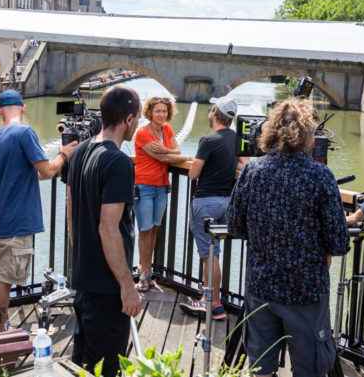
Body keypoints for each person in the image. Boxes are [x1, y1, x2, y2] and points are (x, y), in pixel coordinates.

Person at [227, 98, 349, 377]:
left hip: (261, 286)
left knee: (260, 368)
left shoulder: (252, 170)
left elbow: (235, 225)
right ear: (307, 134)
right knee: (310, 369)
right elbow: (339, 241)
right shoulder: (319, 175)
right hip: (305, 291)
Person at [66, 86, 142, 377]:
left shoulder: (82, 149)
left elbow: (71, 211)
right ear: (129, 119)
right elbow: (108, 227)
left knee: (82, 362)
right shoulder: (119, 162)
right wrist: (127, 286)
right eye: (138, 120)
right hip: (108, 287)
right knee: (105, 368)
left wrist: (82, 255)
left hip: (84, 278)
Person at [0, 90, 75, 333]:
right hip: (18, 220)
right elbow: (47, 171)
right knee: (5, 280)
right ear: (23, 108)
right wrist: (63, 155)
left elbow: (24, 175)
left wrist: (51, 166)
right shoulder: (25, 132)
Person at [178, 96, 249, 320]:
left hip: (205, 202)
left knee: (210, 255)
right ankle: (210, 299)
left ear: (215, 112)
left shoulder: (208, 140)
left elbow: (193, 174)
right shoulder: (237, 139)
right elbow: (246, 165)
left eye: (211, 109)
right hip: (227, 202)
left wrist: (199, 160)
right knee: (213, 253)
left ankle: (213, 303)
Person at [133, 96, 192, 292]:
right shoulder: (142, 133)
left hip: (162, 186)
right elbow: (162, 157)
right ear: (149, 112)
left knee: (155, 229)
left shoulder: (166, 129)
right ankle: (143, 273)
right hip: (144, 186)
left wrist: (169, 150)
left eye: (164, 111)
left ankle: (149, 270)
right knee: (145, 230)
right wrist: (185, 157)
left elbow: (173, 151)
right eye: (157, 111)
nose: (161, 114)